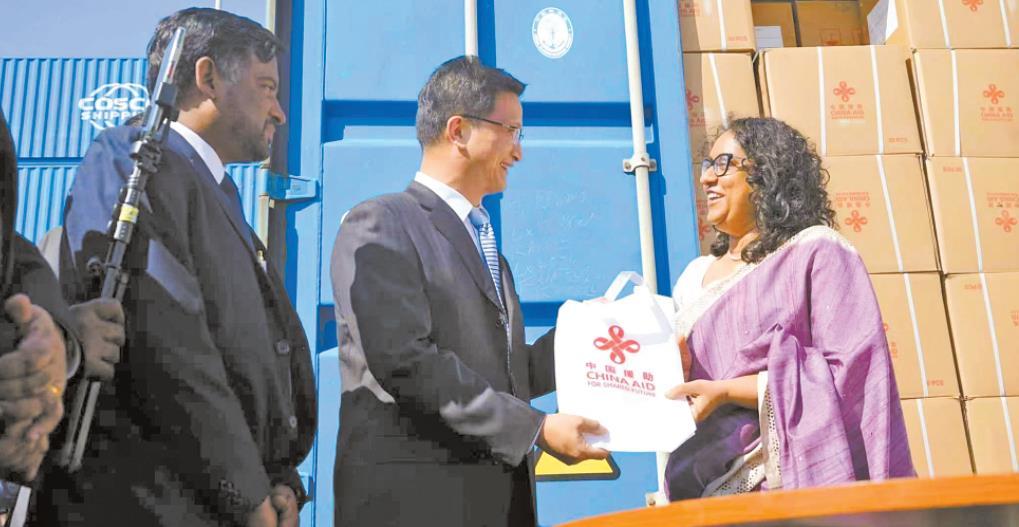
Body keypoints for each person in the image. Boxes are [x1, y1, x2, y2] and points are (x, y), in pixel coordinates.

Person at [40, 9, 316, 526]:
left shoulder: (215, 193)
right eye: (267, 88)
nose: (280, 112)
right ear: (207, 77)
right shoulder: (137, 159)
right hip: (149, 504)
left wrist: (279, 478)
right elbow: (169, 343)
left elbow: (246, 361)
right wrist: (247, 493)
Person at [331, 56, 608, 527]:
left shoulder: (487, 248)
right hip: (417, 507)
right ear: (458, 130)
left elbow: (508, 375)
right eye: (511, 131)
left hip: (495, 505)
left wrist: (590, 336)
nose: (518, 152)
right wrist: (536, 428)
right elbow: (405, 361)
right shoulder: (380, 223)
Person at [663, 117, 914, 500]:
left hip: (787, 488)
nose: (707, 178)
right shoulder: (693, 278)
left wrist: (727, 391)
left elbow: (850, 377)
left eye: (723, 164)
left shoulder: (816, 252)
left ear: (767, 173)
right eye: (707, 166)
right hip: (700, 491)